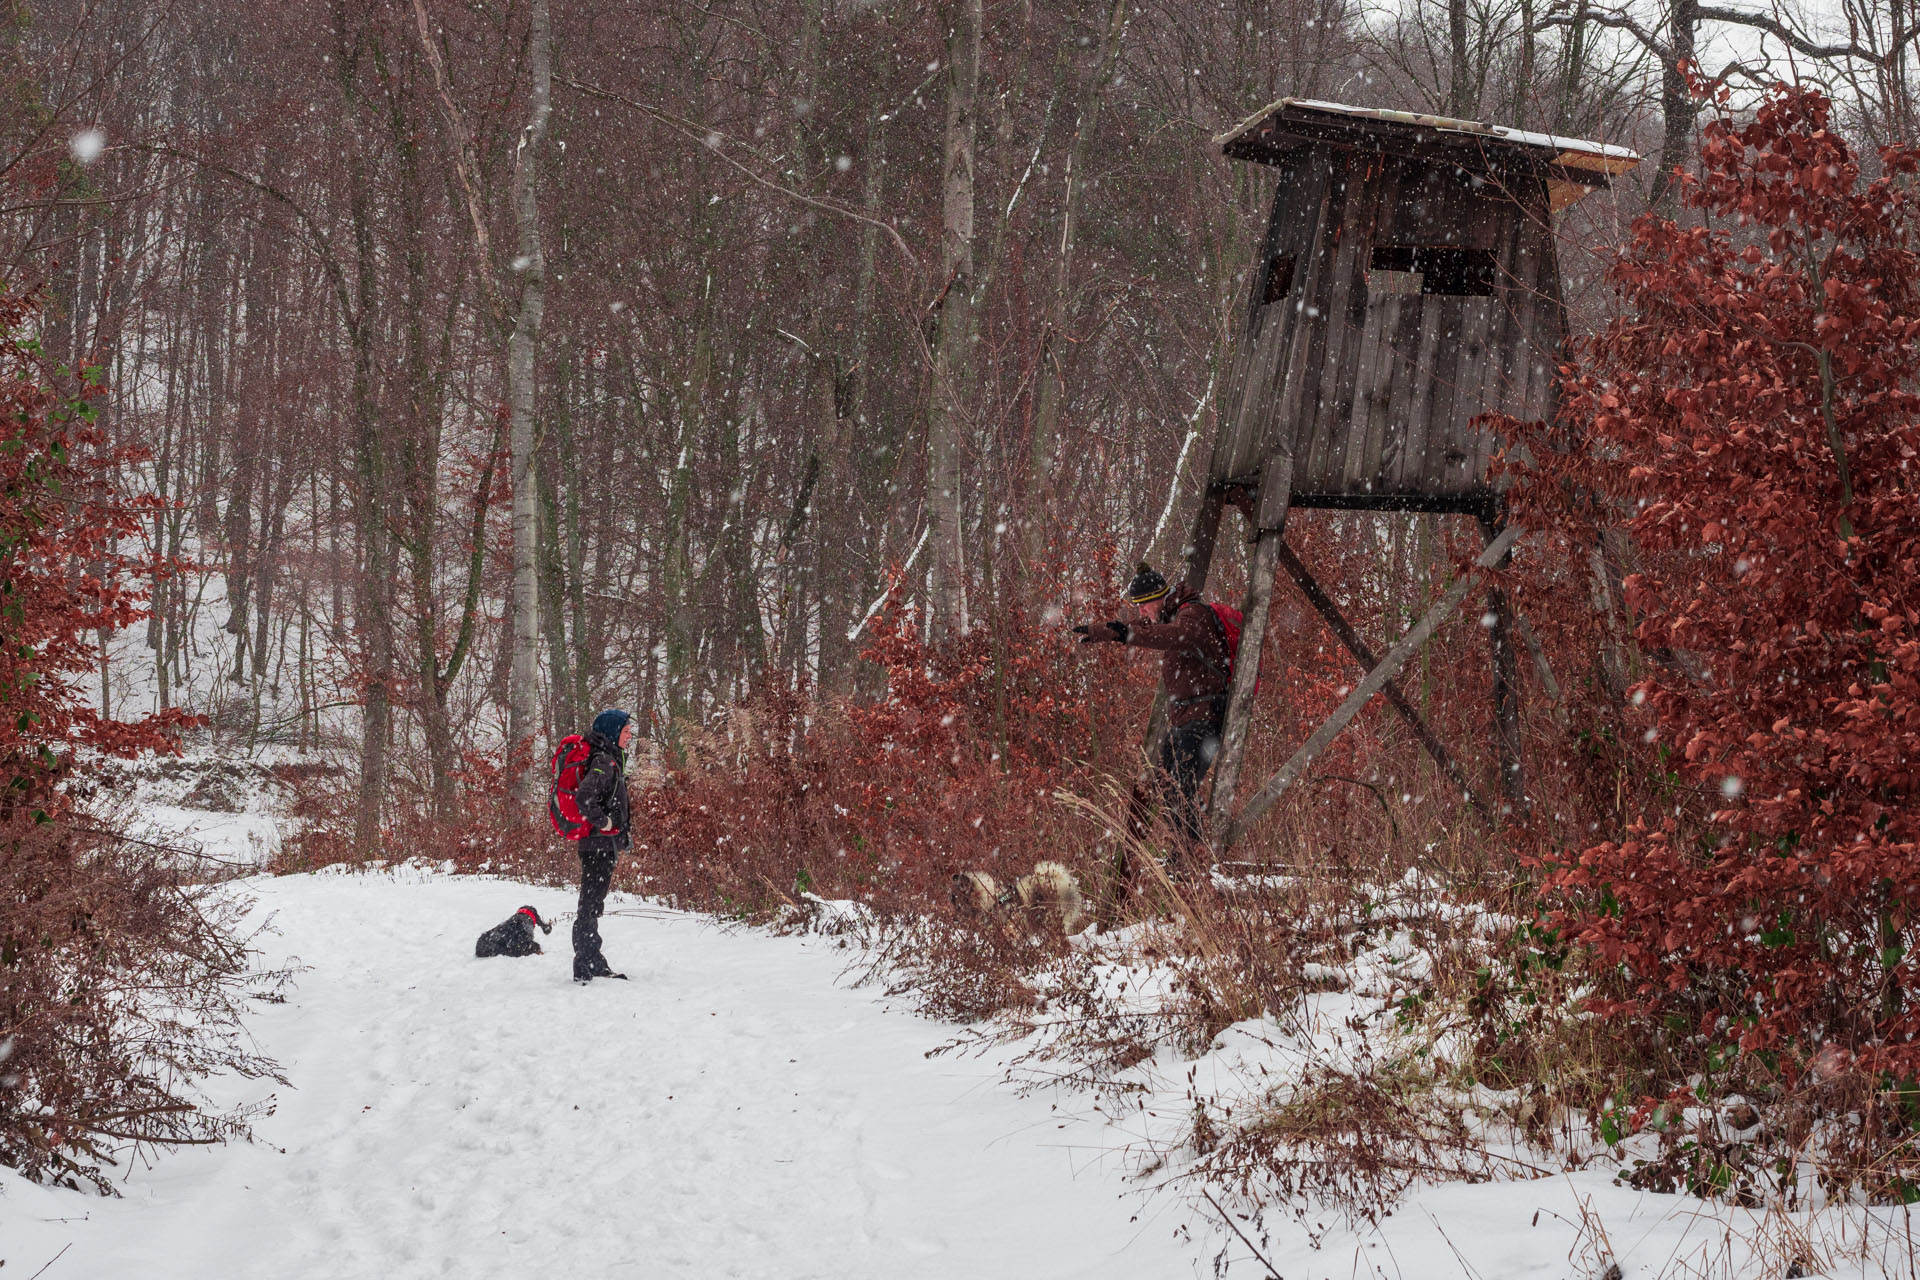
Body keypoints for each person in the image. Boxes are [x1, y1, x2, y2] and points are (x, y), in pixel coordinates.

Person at [1074, 563, 1232, 865]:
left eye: (1144, 606)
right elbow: (1143, 628)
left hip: (1204, 717)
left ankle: (1191, 855)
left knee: (1179, 782)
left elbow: (1171, 635)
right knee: (1164, 781)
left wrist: (1127, 634)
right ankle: (1187, 847)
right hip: (1186, 720)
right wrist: (1105, 632)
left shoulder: (1192, 615)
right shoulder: (1172, 614)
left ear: (1159, 598)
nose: (1143, 612)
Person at [572, 708, 634, 983]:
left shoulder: (610, 760)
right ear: (612, 732)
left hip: (601, 844)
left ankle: (592, 959)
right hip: (597, 844)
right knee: (590, 904)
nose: (630, 736)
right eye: (625, 731)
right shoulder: (604, 762)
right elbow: (584, 797)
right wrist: (605, 823)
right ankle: (584, 963)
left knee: (593, 903)